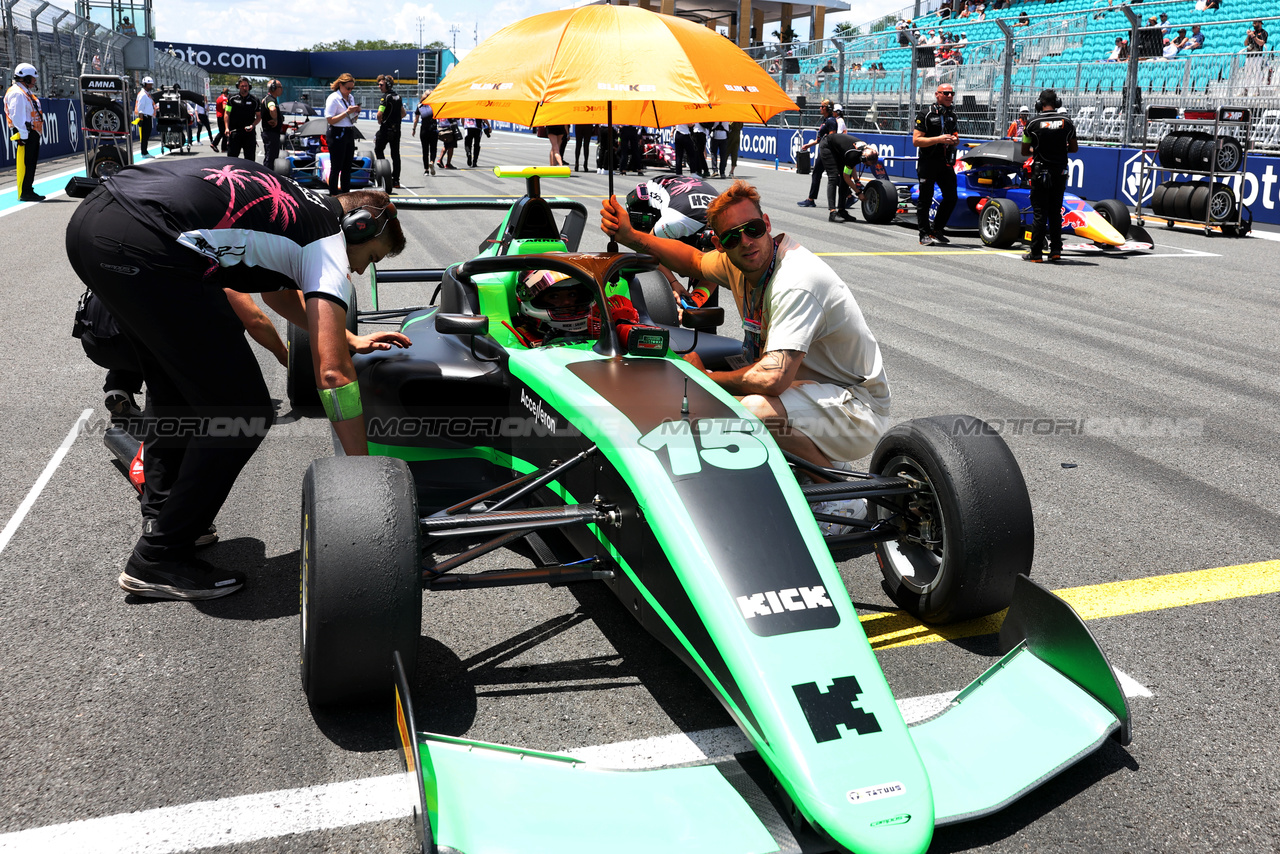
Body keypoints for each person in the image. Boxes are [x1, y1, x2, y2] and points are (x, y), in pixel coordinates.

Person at [65, 159, 410, 600]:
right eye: (371, 258)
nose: (360, 271)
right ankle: (159, 556)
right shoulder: (330, 244)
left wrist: (346, 336)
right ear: (359, 228)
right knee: (242, 412)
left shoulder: (303, 206)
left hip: (95, 223)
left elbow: (276, 292)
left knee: (173, 384)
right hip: (145, 243)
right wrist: (363, 473)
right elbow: (331, 373)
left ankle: (163, 513)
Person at [600, 181, 891, 525]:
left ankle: (842, 496)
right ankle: (817, 460)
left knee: (752, 409)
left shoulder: (796, 280)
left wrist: (703, 378)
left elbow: (773, 376)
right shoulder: (740, 263)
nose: (746, 242)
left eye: (752, 229)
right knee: (729, 377)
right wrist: (633, 236)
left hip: (857, 409)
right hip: (817, 394)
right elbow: (692, 260)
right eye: (732, 238)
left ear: (766, 224)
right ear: (721, 244)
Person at [1021, 89, 1078, 263]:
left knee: (1039, 213)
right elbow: (1074, 148)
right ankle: (1055, 251)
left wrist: (1038, 149)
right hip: (1059, 172)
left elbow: (1024, 151)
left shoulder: (1032, 123)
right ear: (1057, 103)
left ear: (1039, 104)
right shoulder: (1066, 122)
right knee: (1055, 212)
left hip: (1040, 173)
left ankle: (1036, 253)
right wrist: (1060, 150)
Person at [913, 83, 959, 245]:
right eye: (945, 93)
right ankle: (923, 234)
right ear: (937, 94)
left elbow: (955, 137)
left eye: (951, 93)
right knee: (925, 198)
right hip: (927, 162)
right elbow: (916, 140)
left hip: (945, 162)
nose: (949, 96)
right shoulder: (925, 114)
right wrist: (938, 140)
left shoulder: (952, 115)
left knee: (952, 196)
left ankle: (936, 229)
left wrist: (954, 140)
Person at [5, 63, 44, 202]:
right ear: (26, 78)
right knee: (28, 163)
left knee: (31, 162)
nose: (35, 81)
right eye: (33, 78)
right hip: (26, 132)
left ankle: (28, 189)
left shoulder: (24, 91)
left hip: (30, 132)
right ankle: (26, 191)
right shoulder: (17, 93)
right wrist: (24, 135)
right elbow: (17, 116)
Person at [796, 100, 838, 208]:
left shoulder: (831, 121)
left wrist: (827, 150)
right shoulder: (826, 121)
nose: (820, 108)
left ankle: (811, 199)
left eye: (822, 106)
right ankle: (848, 196)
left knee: (823, 174)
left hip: (827, 152)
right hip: (824, 151)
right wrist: (808, 145)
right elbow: (821, 139)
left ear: (827, 108)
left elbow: (831, 138)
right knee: (825, 174)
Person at [324, 73, 361, 194]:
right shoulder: (333, 98)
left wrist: (356, 113)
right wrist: (346, 112)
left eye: (352, 88)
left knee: (347, 166)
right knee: (336, 167)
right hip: (337, 132)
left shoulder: (350, 98)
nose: (349, 91)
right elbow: (330, 119)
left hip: (349, 131)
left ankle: (346, 193)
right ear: (340, 85)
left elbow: (353, 120)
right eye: (347, 88)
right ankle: (333, 194)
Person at [375, 75, 406, 186]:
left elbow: (379, 113)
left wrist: (380, 121)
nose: (379, 86)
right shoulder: (398, 97)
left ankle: (383, 175)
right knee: (395, 154)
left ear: (387, 85)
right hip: (396, 130)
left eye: (381, 84)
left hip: (385, 129)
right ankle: (396, 180)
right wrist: (395, 120)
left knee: (378, 149)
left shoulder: (385, 97)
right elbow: (404, 113)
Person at [224, 77, 261, 162]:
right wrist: (226, 127)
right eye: (242, 86)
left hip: (249, 133)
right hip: (235, 133)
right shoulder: (232, 99)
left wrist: (253, 125)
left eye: (246, 86)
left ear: (249, 87)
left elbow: (259, 116)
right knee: (231, 159)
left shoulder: (255, 100)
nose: (244, 88)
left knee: (250, 160)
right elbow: (227, 113)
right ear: (238, 87)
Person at [412, 91, 437, 176]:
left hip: (424, 130)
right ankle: (432, 161)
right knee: (433, 148)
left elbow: (416, 119)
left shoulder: (420, 105)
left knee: (425, 150)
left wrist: (414, 129)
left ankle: (426, 170)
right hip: (433, 129)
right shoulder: (434, 105)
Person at [260, 79, 284, 169]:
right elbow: (272, 109)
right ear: (274, 88)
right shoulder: (270, 99)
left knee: (271, 157)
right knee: (270, 158)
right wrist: (275, 119)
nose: (282, 89)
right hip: (271, 134)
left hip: (271, 133)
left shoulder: (271, 98)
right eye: (280, 87)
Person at [134, 75, 155, 156]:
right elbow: (141, 108)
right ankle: (144, 152)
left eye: (151, 84)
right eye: (149, 84)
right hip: (145, 118)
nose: (151, 86)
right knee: (144, 136)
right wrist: (141, 119)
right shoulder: (143, 94)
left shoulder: (147, 94)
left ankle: (145, 151)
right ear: (145, 84)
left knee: (146, 135)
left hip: (148, 117)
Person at [212, 87, 229, 152]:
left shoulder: (219, 98)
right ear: (227, 93)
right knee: (223, 132)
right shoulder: (224, 99)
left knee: (223, 132)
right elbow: (224, 107)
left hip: (218, 116)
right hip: (222, 116)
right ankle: (214, 144)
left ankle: (224, 148)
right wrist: (229, 109)